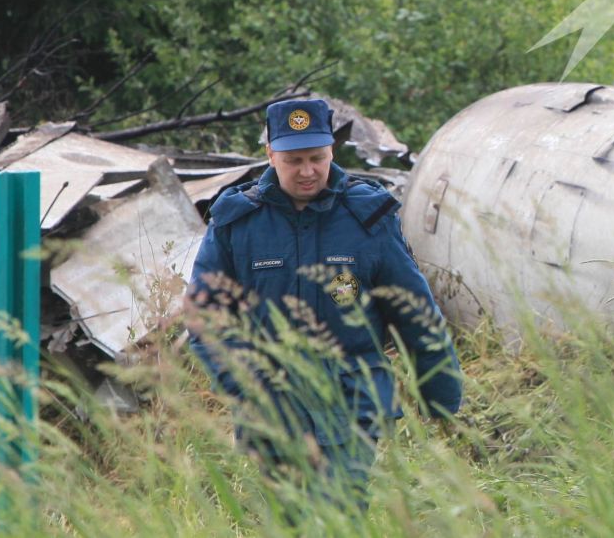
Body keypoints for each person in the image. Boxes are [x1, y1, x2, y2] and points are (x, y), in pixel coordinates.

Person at [186, 97, 462, 506]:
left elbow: (415, 313)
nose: (308, 171)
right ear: (270, 154)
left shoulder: (367, 218)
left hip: (352, 401)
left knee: (341, 513)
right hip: (272, 409)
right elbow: (205, 320)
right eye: (294, 160)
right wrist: (245, 386)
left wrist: (440, 398)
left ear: (332, 149)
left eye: (317, 157)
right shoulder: (237, 223)